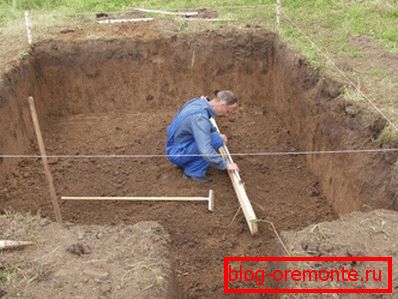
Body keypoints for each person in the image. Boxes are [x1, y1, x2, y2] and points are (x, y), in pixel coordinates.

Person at [166, 90, 240, 183]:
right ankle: (193, 173)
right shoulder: (200, 117)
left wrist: (214, 132)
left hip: (175, 146)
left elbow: (205, 125)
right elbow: (205, 150)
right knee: (216, 140)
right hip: (177, 153)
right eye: (228, 111)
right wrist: (226, 165)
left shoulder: (198, 103)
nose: (226, 115)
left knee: (216, 137)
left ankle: (186, 161)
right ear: (222, 104)